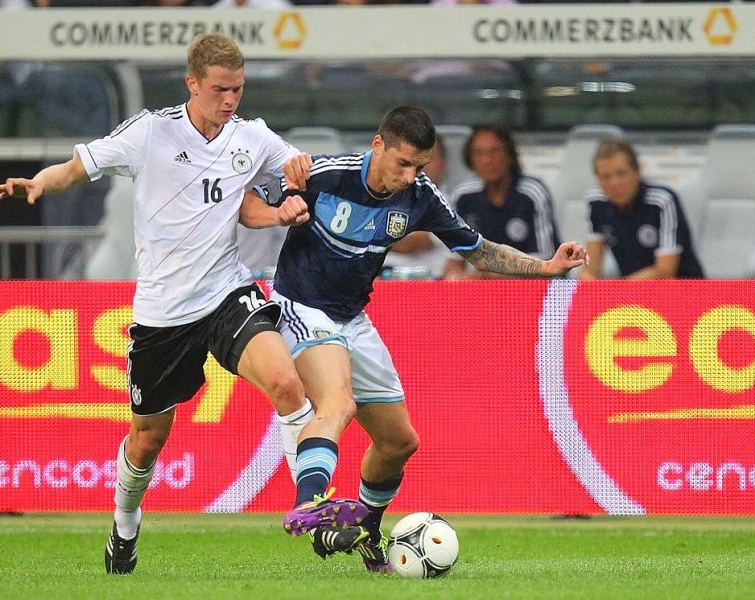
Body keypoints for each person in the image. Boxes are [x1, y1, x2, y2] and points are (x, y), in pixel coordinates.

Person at [0, 33, 367, 576]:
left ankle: (313, 504)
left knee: (286, 383)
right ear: (193, 84)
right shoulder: (150, 131)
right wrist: (40, 183)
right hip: (164, 315)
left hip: (227, 294)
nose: (231, 100)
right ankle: (124, 522)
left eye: (238, 89)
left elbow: (297, 172)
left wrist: (298, 185)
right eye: (220, 89)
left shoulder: (252, 137)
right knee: (147, 441)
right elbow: (77, 165)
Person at [240, 105, 587, 572]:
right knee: (337, 404)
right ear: (377, 145)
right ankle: (310, 506)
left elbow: (479, 251)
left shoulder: (421, 196)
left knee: (399, 442)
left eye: (419, 166)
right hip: (300, 305)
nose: (410, 176)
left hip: (352, 317)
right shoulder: (325, 174)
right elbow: (247, 204)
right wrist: (280, 211)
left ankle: (366, 533)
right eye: (402, 163)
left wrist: (545, 266)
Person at [577, 136, 704, 280]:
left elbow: (665, 272)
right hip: (631, 296)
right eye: (606, 177)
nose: (614, 183)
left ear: (637, 171)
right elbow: (590, 268)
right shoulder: (596, 202)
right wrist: (587, 286)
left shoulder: (661, 202)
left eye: (621, 173)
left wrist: (617, 291)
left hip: (684, 293)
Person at [444, 124, 561, 279]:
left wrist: (488, 277)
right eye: (479, 153)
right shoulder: (463, 197)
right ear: (470, 160)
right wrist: (456, 278)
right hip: (483, 290)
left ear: (510, 155)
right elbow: (454, 263)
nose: (487, 160)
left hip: (533, 290)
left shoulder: (532, 194)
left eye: (495, 151)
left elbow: (545, 266)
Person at [382, 132, 452, 278]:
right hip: (383, 281)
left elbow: (412, 244)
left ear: (442, 164)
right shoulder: (386, 198)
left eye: (428, 158)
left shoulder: (449, 203)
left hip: (426, 285)